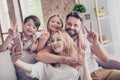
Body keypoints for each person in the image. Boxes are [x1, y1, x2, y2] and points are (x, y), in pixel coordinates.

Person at [36, 11, 120, 80]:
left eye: (75, 25)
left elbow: (105, 59)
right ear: (65, 24)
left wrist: (95, 42)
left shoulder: (86, 38)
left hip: (99, 72)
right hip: (82, 76)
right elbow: (39, 56)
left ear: (81, 27)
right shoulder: (58, 40)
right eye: (69, 24)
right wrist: (64, 59)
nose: (71, 27)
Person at [11, 30, 92, 80]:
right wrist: (15, 61)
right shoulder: (48, 62)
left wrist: (84, 61)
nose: (54, 43)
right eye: (52, 41)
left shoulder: (75, 62)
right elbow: (31, 68)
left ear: (66, 41)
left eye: (58, 40)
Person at [0, 15, 42, 80]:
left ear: (36, 30)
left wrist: (36, 43)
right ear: (23, 25)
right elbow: (2, 49)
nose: (31, 28)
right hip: (21, 70)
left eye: (34, 27)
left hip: (33, 69)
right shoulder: (16, 36)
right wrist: (10, 37)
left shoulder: (36, 38)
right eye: (29, 25)